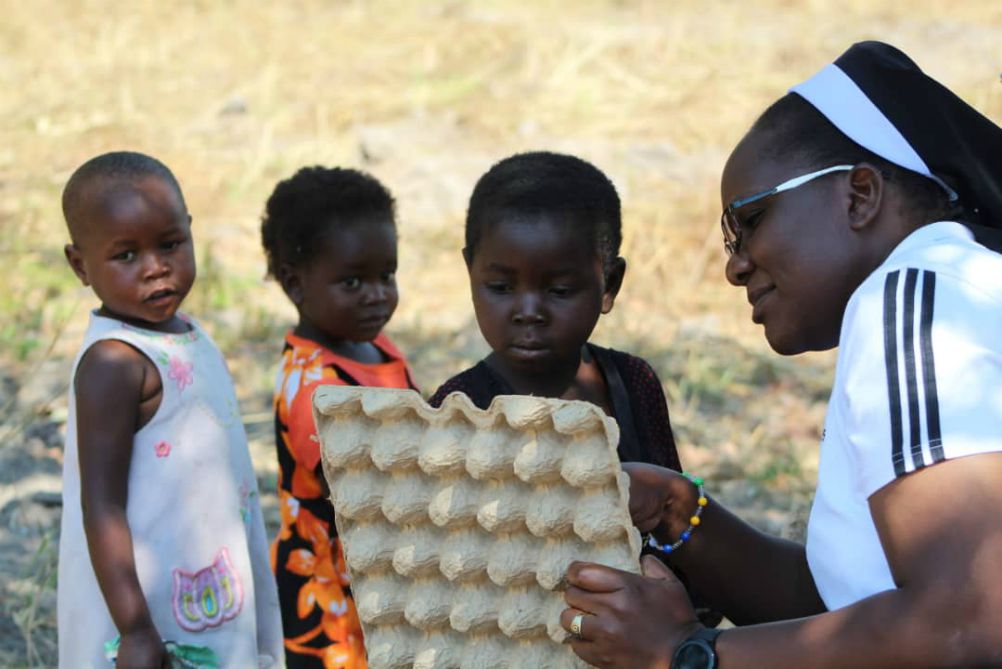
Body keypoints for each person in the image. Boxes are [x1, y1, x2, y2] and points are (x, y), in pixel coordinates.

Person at [559, 41, 1002, 669]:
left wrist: (687, 654)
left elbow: (968, 623)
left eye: (752, 219)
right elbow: (846, 613)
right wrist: (681, 515)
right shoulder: (952, 287)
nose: (735, 265)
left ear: (859, 196)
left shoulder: (913, 293)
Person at [58, 151, 283, 668]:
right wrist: (134, 628)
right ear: (79, 265)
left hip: (209, 585)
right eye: (126, 255)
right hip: (147, 611)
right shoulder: (114, 363)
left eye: (170, 244)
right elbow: (101, 507)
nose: (156, 268)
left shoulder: (187, 331)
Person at [428, 151, 681, 472]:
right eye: (501, 287)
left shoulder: (634, 384)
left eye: (559, 291)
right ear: (471, 273)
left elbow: (679, 507)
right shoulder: (457, 408)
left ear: (609, 286)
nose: (529, 312)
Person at [261, 166, 417, 668]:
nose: (377, 295)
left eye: (386, 275)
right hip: (329, 594)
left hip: (380, 572)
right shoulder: (312, 386)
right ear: (294, 282)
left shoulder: (374, 345)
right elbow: (359, 488)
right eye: (353, 281)